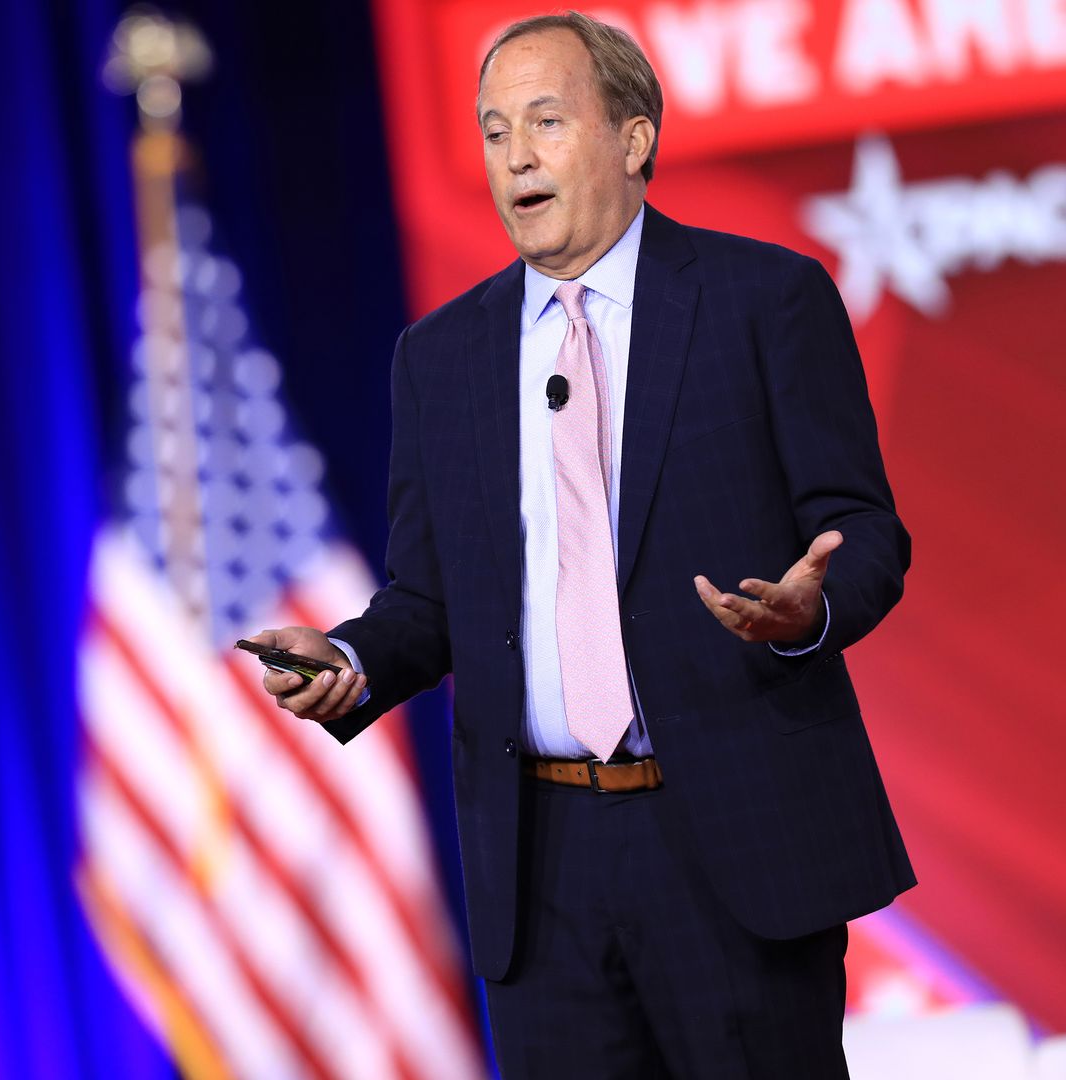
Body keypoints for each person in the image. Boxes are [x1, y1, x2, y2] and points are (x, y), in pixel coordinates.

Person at [247, 12, 913, 1077]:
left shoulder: (763, 300)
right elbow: (430, 598)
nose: (515, 155)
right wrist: (356, 661)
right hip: (542, 864)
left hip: (731, 842)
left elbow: (865, 529)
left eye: (546, 123)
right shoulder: (442, 358)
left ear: (634, 136)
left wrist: (809, 615)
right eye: (494, 130)